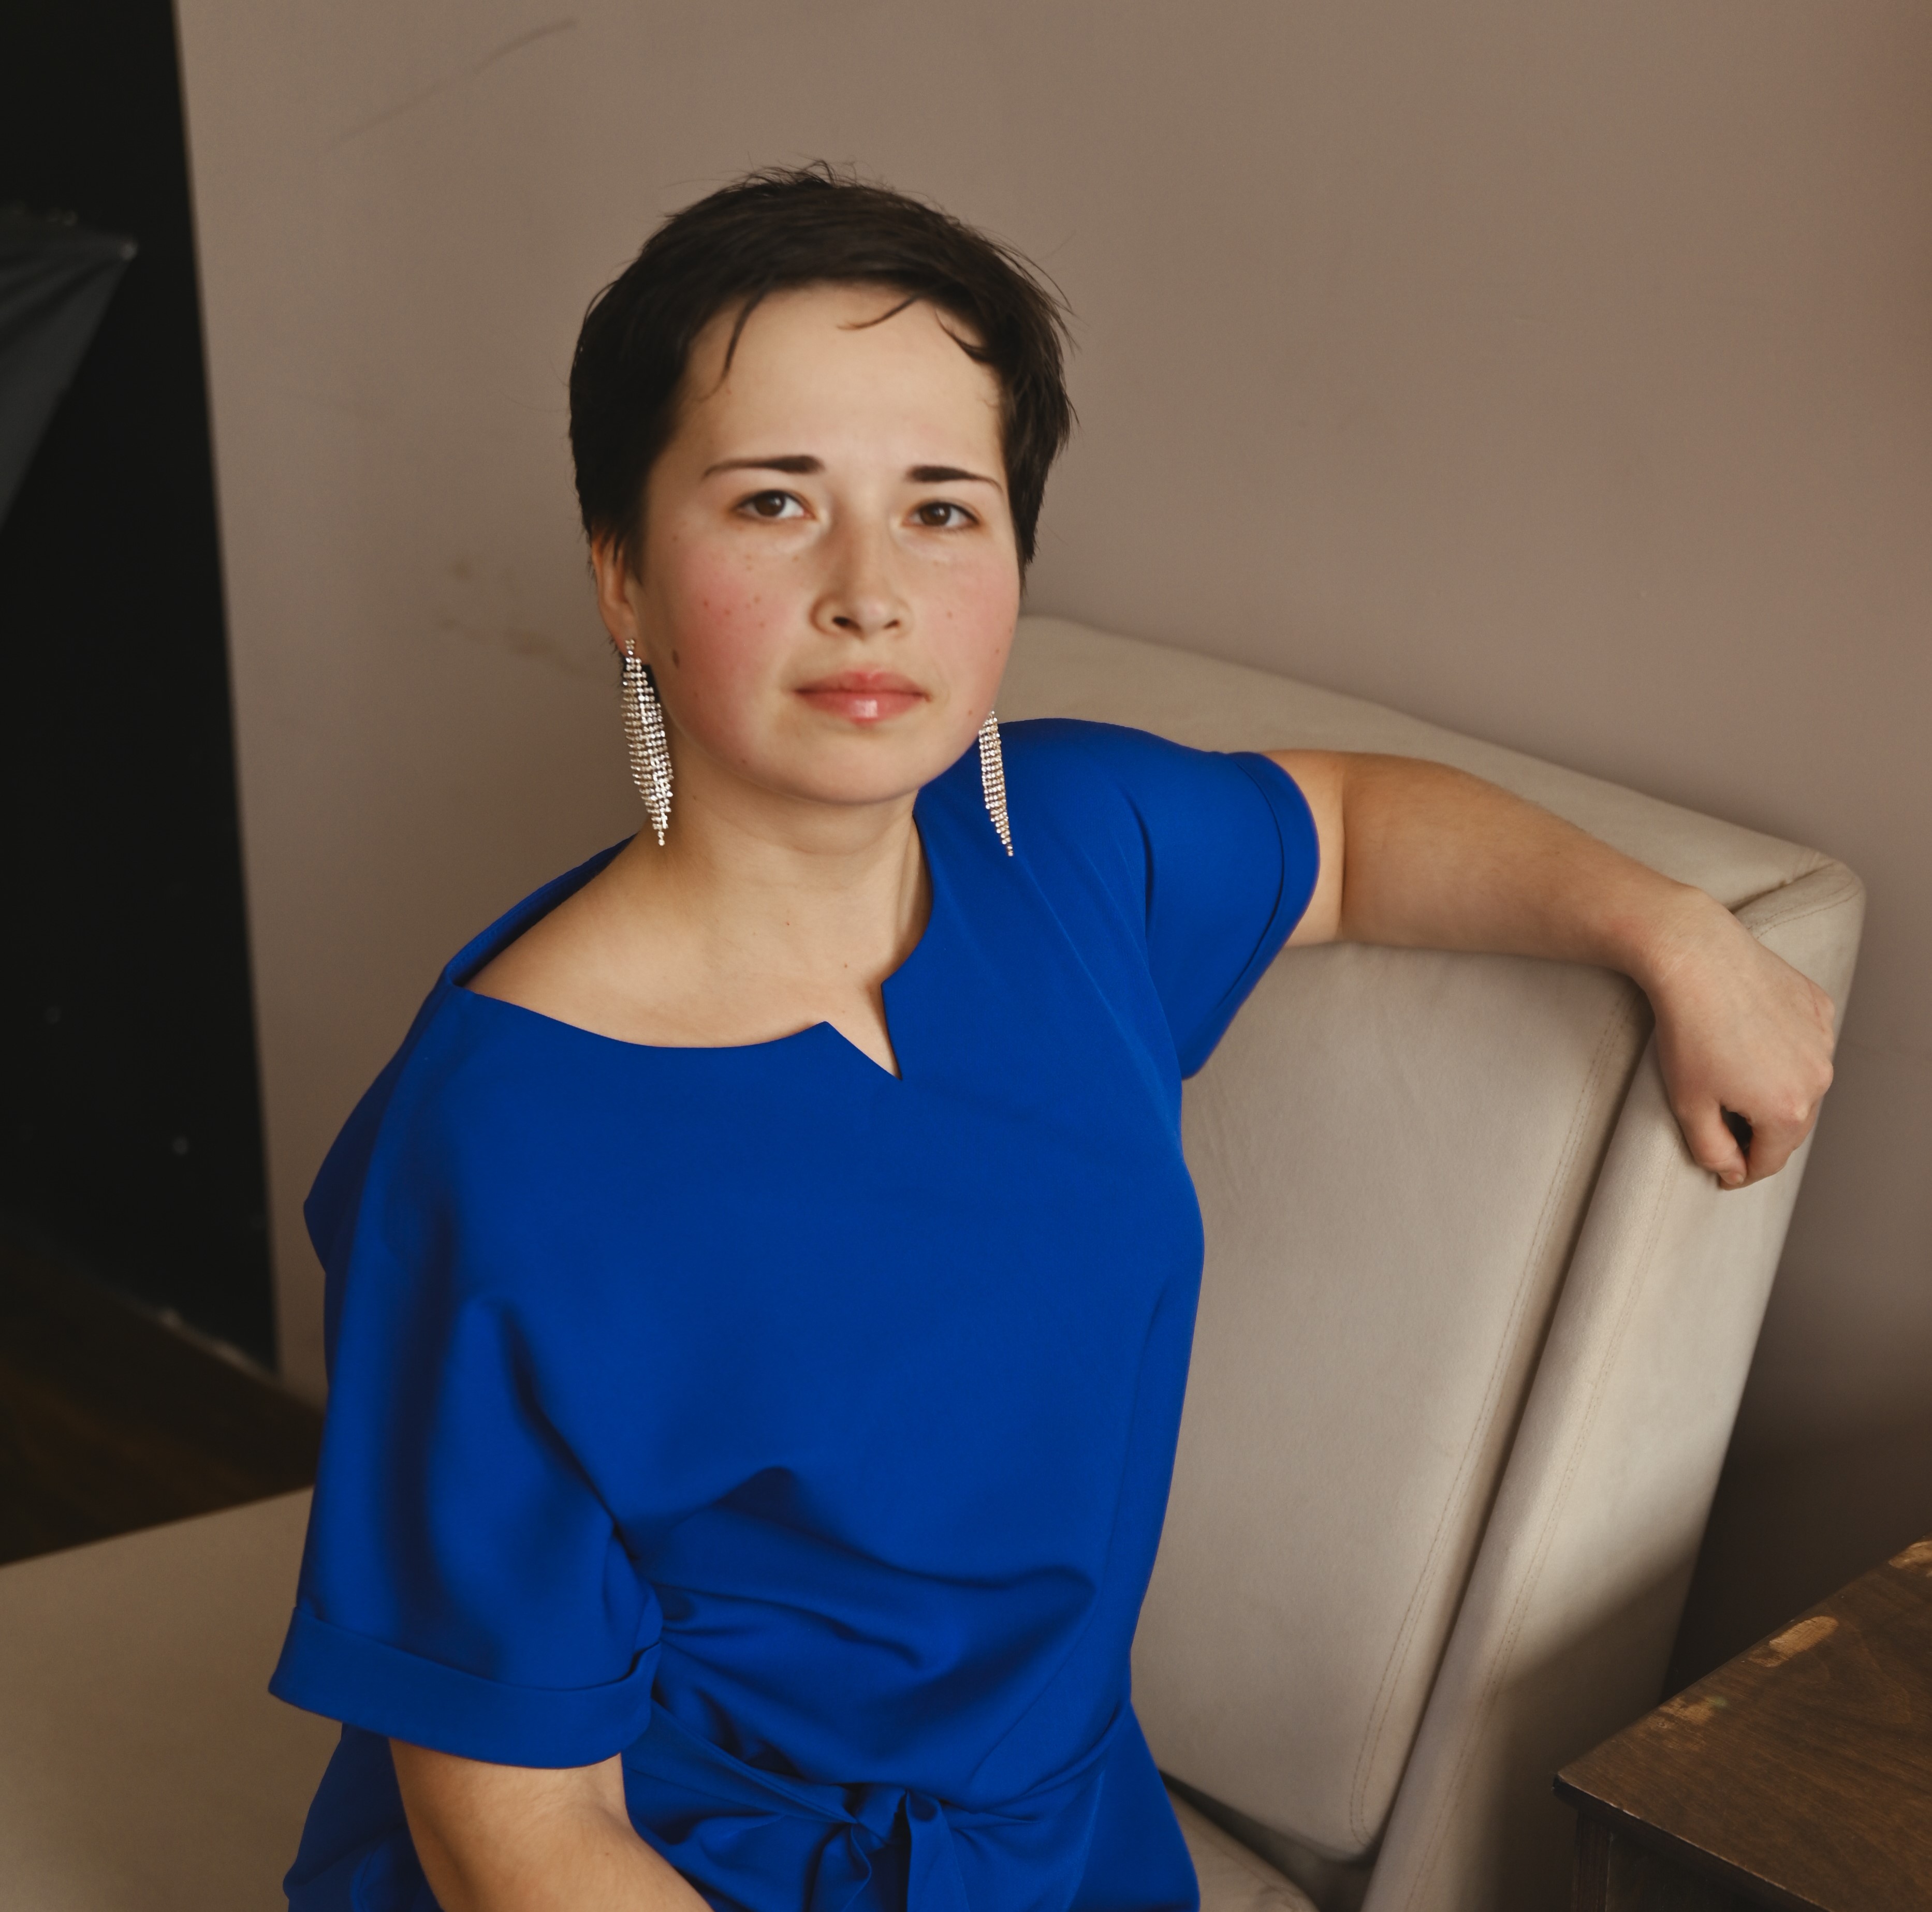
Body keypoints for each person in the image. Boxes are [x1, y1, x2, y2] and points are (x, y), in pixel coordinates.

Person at [269, 167, 1835, 1912]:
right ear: (622, 575)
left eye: (941, 509)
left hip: (1065, 1842)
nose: (870, 590)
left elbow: (1351, 828)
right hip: (689, 1866)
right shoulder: (498, 1145)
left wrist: (1674, 932)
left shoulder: (1069, 848)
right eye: (776, 501)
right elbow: (517, 1834)